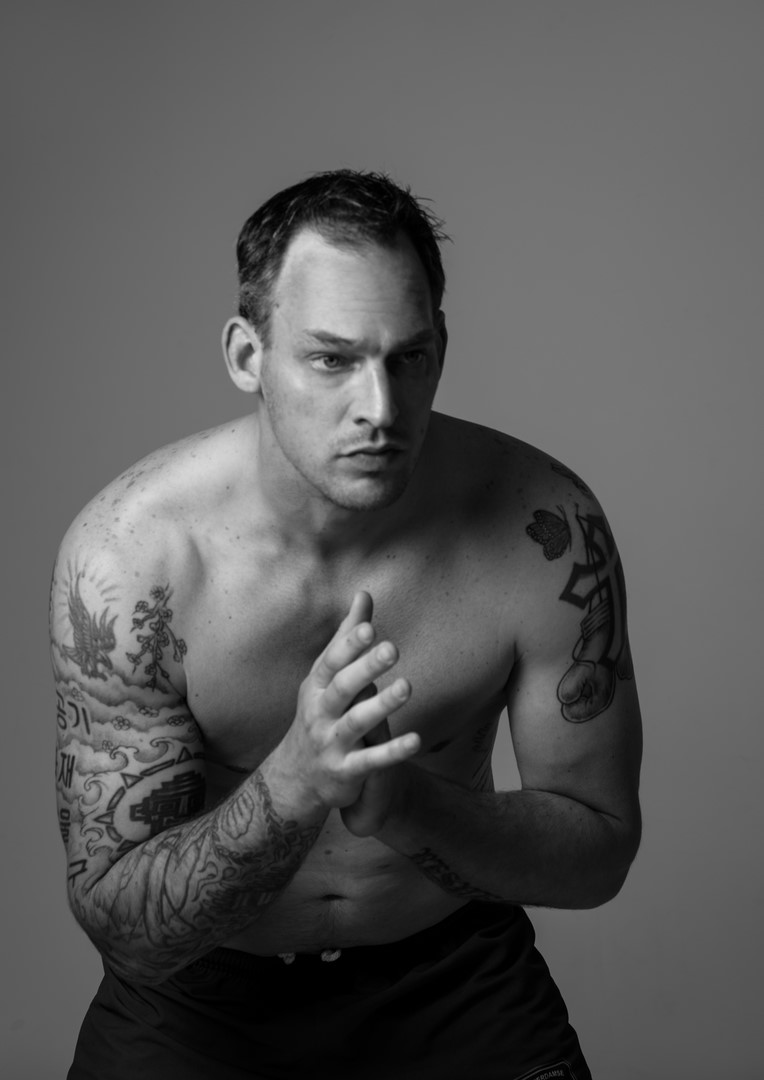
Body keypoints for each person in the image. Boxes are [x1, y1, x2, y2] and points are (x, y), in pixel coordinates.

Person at [51, 170, 642, 1080]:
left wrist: (412, 807)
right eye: (331, 359)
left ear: (441, 347)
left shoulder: (543, 528)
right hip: (194, 1001)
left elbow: (599, 854)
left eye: (408, 358)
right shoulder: (133, 561)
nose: (380, 409)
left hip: (454, 980)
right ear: (248, 356)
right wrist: (292, 786)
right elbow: (122, 924)